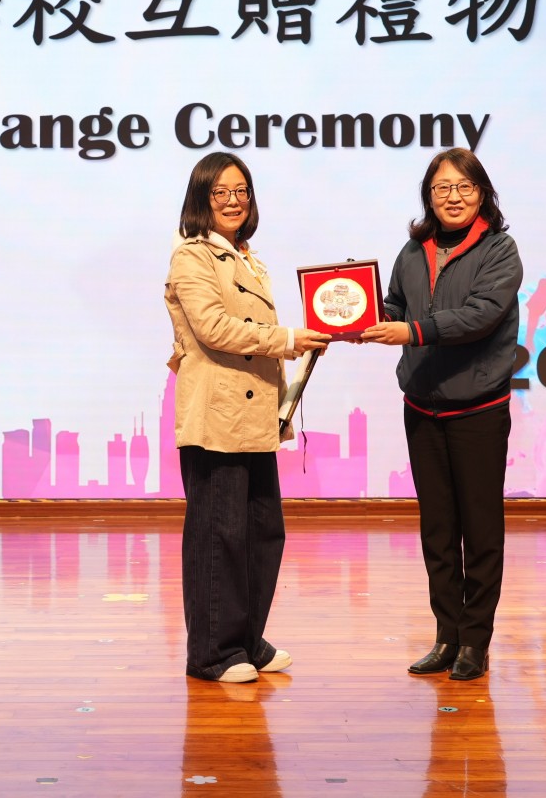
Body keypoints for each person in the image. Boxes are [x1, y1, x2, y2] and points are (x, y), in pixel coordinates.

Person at [164, 151, 330, 683]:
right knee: (220, 536)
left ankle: (246, 641)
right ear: (201, 199)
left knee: (262, 533)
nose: (233, 201)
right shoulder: (192, 257)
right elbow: (214, 328)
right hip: (217, 418)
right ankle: (212, 653)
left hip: (255, 417)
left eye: (242, 191)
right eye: (221, 193)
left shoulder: (246, 257)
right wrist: (288, 339)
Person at [361, 147, 522, 681]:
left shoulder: (500, 250)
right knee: (437, 531)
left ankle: (475, 642)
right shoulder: (413, 251)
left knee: (480, 531)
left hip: (478, 409)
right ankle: (447, 636)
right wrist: (358, 315)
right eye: (442, 188)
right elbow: (396, 305)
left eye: (464, 187)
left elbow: (479, 317)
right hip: (422, 407)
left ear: (482, 194)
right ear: (428, 196)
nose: (453, 197)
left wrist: (411, 331)